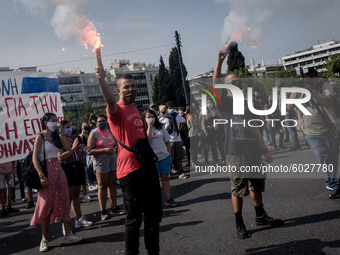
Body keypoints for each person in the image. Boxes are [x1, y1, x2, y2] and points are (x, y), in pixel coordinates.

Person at [213, 49, 283, 239]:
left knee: (257, 184)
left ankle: (260, 215)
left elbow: (255, 128)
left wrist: (264, 149)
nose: (237, 84)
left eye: (239, 82)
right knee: (238, 187)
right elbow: (216, 84)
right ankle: (239, 222)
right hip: (235, 151)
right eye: (233, 83)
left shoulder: (247, 103)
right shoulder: (224, 102)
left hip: (253, 150)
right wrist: (219, 62)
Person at [95, 67, 162, 255]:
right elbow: (109, 100)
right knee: (134, 218)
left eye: (133, 86)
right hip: (130, 172)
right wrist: (101, 81)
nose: (131, 89)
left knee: (153, 215)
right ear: (118, 90)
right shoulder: (115, 110)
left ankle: (153, 251)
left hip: (147, 167)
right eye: (126, 87)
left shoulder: (135, 109)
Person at [30, 113, 82, 252]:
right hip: (47, 171)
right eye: (53, 121)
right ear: (46, 122)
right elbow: (35, 158)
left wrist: (61, 133)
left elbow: (67, 148)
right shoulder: (39, 137)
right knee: (46, 205)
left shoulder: (56, 136)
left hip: (59, 170)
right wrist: (41, 175)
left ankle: (68, 233)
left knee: (64, 200)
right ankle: (44, 239)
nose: (55, 123)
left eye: (57, 121)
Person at [289, 68, 340, 198]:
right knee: (324, 157)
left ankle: (331, 180)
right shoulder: (300, 91)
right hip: (311, 132)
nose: (306, 80)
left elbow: (327, 101)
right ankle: (336, 184)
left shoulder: (325, 85)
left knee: (333, 157)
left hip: (330, 128)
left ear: (314, 76)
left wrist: (311, 90)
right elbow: (288, 106)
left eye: (308, 77)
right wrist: (297, 89)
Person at [87, 115, 125, 220]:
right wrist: (104, 150)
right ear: (96, 123)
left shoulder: (110, 131)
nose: (102, 123)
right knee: (102, 185)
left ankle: (114, 207)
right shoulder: (94, 133)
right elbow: (89, 150)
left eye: (104, 121)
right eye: (100, 121)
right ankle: (103, 210)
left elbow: (116, 144)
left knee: (112, 183)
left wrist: (114, 148)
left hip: (112, 159)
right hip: (100, 160)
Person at [58, 120, 93, 231]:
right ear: (61, 129)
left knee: (76, 196)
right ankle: (66, 223)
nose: (71, 128)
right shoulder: (59, 140)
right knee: (67, 197)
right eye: (67, 127)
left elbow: (78, 152)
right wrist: (73, 149)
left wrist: (83, 149)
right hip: (67, 168)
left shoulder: (74, 138)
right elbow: (61, 157)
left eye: (71, 126)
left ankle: (79, 219)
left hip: (77, 166)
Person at [144, 109, 178, 207]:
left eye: (152, 116)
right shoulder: (144, 129)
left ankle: (168, 199)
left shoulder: (161, 127)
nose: (150, 119)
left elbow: (167, 141)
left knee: (165, 178)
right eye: (148, 117)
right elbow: (148, 141)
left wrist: (169, 155)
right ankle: (155, 202)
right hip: (152, 158)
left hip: (163, 156)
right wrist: (149, 127)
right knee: (154, 181)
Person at [162, 101, 188, 179]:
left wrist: (180, 128)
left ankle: (181, 172)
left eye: (172, 108)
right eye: (170, 108)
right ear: (166, 109)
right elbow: (159, 126)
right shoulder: (164, 118)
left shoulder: (177, 116)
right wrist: (165, 130)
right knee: (170, 157)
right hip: (169, 140)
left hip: (177, 138)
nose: (171, 110)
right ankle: (169, 172)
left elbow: (183, 121)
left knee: (178, 157)